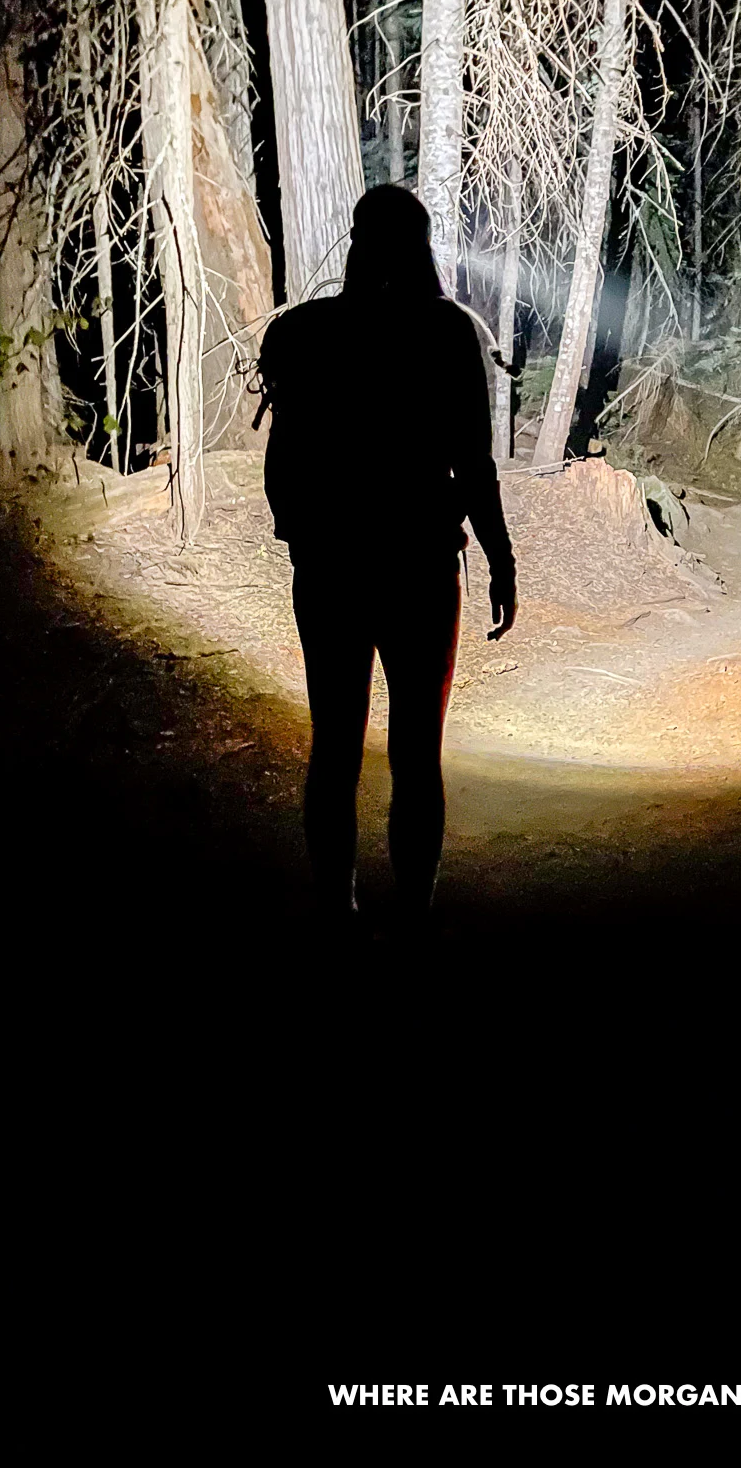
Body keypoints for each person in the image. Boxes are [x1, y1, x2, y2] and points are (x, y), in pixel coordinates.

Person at [258, 185, 517, 935]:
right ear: (422, 248)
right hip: (419, 567)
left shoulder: (303, 332)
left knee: (334, 746)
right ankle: (413, 917)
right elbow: (474, 464)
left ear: (357, 244)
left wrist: (302, 535)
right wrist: (499, 557)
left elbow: (283, 459)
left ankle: (335, 909)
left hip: (331, 568)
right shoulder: (446, 333)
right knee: (417, 753)